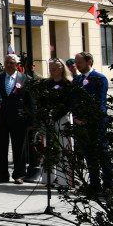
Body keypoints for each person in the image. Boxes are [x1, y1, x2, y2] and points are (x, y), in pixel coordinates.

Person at [73, 51, 113, 193]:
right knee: (88, 153)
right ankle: (94, 183)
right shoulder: (77, 80)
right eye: (76, 63)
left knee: (101, 152)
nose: (77, 65)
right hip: (81, 123)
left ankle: (108, 184)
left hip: (96, 122)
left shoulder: (99, 78)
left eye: (80, 63)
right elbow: (74, 101)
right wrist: (76, 117)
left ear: (89, 62)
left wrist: (88, 118)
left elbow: (99, 100)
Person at [0, 53, 32, 184]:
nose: (9, 65)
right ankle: (2, 174)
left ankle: (19, 174)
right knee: (1, 147)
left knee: (19, 147)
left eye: (12, 63)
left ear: (17, 65)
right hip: (0, 118)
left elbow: (30, 101)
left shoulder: (25, 79)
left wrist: (31, 120)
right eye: (7, 63)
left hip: (18, 119)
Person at [44, 58, 74, 186]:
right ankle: (48, 178)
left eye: (54, 69)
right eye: (50, 69)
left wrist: (55, 115)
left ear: (61, 69)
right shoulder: (47, 84)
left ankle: (64, 180)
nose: (52, 71)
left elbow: (68, 103)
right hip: (48, 118)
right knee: (48, 148)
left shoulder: (67, 84)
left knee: (64, 149)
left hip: (62, 118)